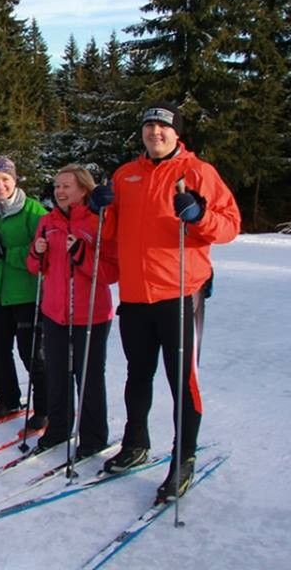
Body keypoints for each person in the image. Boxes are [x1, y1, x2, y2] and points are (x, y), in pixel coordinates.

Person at [97, 101, 240, 503]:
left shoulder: (198, 172)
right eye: (148, 127)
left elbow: (230, 225)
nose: (154, 133)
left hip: (178, 293)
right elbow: (108, 236)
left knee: (182, 381)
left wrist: (198, 216)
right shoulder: (126, 175)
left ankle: (183, 459)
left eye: (163, 127)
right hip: (135, 297)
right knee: (137, 376)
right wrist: (99, 210)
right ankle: (136, 442)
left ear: (177, 133)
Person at [27, 164, 118, 455]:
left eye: (66, 186)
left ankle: (93, 437)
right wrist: (36, 252)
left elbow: (110, 272)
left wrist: (80, 253)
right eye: (56, 186)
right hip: (54, 311)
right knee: (57, 373)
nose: (60, 192)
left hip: (89, 313)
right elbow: (34, 268)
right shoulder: (48, 221)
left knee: (88, 376)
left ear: (83, 188)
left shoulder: (97, 220)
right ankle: (58, 428)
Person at [0, 156, 48, 429]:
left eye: (5, 179)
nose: (0, 185)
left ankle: (44, 407)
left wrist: (8, 253)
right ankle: (9, 398)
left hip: (26, 292)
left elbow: (43, 251)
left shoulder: (33, 211)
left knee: (32, 353)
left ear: (15, 180)